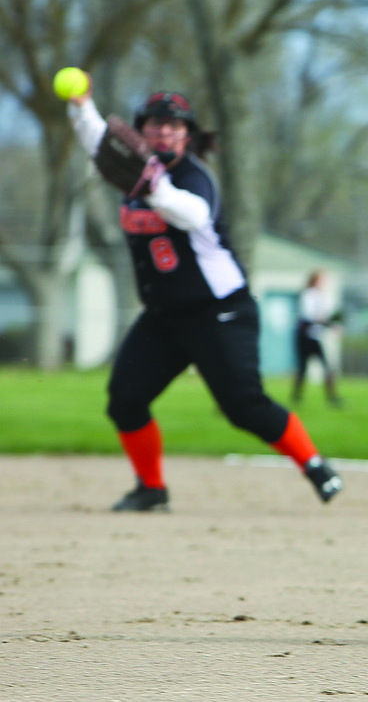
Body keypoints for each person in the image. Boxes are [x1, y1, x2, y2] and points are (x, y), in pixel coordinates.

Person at [65, 84, 344, 511]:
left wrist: (154, 187)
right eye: (156, 123)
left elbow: (190, 213)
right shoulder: (136, 169)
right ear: (140, 130)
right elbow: (98, 142)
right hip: (163, 318)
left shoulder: (194, 178)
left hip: (220, 312)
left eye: (175, 126)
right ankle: (151, 490)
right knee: (125, 399)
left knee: (244, 407)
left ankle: (314, 465)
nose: (165, 132)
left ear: (188, 136)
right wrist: (81, 105)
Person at [292, 269, 343, 407]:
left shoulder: (323, 296)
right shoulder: (308, 295)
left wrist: (334, 324)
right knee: (302, 367)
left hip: (315, 336)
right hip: (305, 336)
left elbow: (328, 315)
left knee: (326, 367)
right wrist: (328, 323)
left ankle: (332, 397)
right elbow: (310, 316)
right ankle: (297, 396)